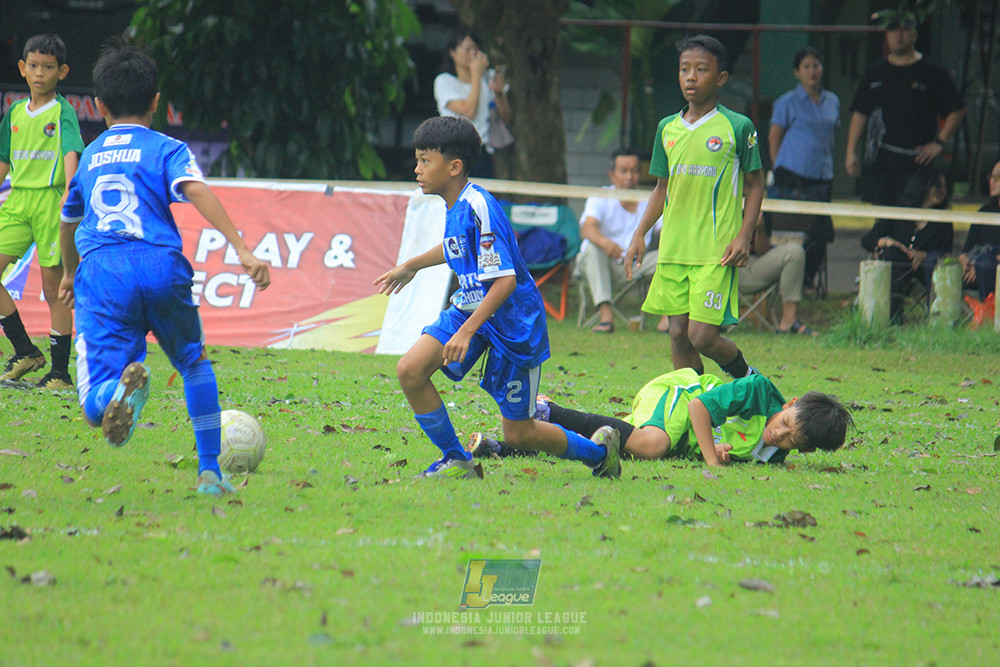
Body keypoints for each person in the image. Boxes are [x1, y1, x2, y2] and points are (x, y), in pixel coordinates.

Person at [58, 39, 271, 496]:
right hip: (160, 265)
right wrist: (242, 249)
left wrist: (69, 274)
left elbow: (67, 218)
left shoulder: (90, 157)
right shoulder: (166, 148)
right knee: (193, 361)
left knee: (93, 405)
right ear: (157, 101)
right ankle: (211, 473)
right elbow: (195, 190)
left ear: (98, 105)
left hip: (102, 271)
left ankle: (113, 396)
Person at [374, 116, 620, 480]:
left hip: (512, 321)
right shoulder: (455, 205)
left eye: (425, 161)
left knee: (519, 433)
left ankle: (600, 454)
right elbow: (455, 245)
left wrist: (466, 332)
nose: (417, 169)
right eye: (417, 160)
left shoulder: (479, 205)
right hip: (472, 306)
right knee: (410, 371)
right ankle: (457, 459)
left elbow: (504, 282)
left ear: (454, 167)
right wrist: (412, 265)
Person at [624, 35, 764, 379]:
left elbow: (756, 184)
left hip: (715, 252)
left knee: (701, 336)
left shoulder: (737, 126)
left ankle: (750, 381)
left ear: (721, 78)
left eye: (701, 70)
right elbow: (661, 187)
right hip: (674, 249)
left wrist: (745, 235)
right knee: (676, 335)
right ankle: (693, 408)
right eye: (685, 69)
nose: (690, 77)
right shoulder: (666, 129)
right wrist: (639, 233)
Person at [468, 368, 853, 468]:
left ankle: (508, 445)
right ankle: (548, 411)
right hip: (680, 395)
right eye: (783, 426)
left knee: (625, 449)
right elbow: (700, 409)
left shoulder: (781, 451)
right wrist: (710, 459)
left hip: (683, 430)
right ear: (792, 403)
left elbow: (742, 446)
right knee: (651, 447)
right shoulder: (758, 391)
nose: (777, 436)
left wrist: (723, 451)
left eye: (790, 442)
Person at [0, 34, 83, 389]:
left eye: (48, 67)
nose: (39, 73)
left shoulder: (62, 111)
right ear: (22, 68)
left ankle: (60, 373)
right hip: (17, 201)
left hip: (50, 203)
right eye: (33, 66)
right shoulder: (15, 113)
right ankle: (26, 351)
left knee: (55, 287)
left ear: (61, 72)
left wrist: (70, 191)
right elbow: (4, 159)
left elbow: (70, 151)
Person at [845, 12, 965, 207]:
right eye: (893, 30)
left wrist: (939, 143)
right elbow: (860, 112)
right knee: (882, 222)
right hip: (881, 163)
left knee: (911, 220)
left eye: (905, 30)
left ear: (914, 34)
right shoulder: (874, 72)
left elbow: (957, 109)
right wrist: (851, 151)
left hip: (916, 164)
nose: (899, 35)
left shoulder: (932, 72)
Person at [768, 47, 839, 292]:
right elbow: (774, 137)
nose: (812, 71)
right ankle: (782, 280)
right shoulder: (787, 102)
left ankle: (807, 280)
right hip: (791, 173)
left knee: (821, 230)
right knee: (788, 228)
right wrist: (779, 167)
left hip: (821, 175)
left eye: (816, 65)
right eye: (806, 66)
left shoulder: (833, 101)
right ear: (797, 72)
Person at [576, 148, 667, 333]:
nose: (629, 176)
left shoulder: (650, 199)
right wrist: (606, 243)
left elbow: (667, 231)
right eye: (623, 171)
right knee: (593, 249)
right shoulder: (601, 196)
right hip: (603, 263)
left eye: (634, 171)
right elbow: (587, 228)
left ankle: (667, 318)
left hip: (637, 263)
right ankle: (606, 316)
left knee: (668, 256)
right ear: (612, 175)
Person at [861, 167, 953, 324]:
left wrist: (921, 255)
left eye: (944, 187)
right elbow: (868, 240)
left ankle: (937, 320)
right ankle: (889, 317)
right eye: (936, 185)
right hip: (896, 266)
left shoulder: (943, 222)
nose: (941, 191)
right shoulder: (899, 213)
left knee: (933, 261)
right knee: (893, 254)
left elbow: (945, 253)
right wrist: (888, 242)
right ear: (923, 186)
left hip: (925, 270)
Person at [433, 25, 512, 179]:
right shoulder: (444, 81)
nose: (473, 54)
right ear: (452, 52)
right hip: (456, 150)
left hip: (484, 151)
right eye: (467, 49)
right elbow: (468, 111)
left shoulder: (488, 77)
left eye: (476, 49)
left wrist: (499, 93)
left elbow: (507, 117)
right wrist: (476, 74)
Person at [742, 211, 817, 335]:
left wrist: (760, 228)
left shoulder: (758, 206)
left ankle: (789, 322)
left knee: (794, 252)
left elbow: (762, 251)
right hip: (724, 268)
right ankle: (707, 322)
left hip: (753, 267)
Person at [959, 159, 1000, 302]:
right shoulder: (984, 212)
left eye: (998, 177)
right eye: (991, 176)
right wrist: (967, 263)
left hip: (990, 268)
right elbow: (966, 251)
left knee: (986, 261)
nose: (992, 181)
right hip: (978, 267)